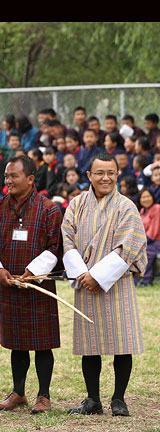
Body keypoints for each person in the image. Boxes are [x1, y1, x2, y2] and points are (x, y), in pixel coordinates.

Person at [61, 152, 147, 417]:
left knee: (122, 342)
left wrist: (99, 276)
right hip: (84, 280)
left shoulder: (126, 207)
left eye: (111, 172)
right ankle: (93, 399)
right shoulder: (76, 205)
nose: (105, 177)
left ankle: (119, 399)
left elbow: (129, 246)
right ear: (89, 175)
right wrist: (82, 274)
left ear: (117, 174)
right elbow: (66, 239)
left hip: (116, 281)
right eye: (99, 172)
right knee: (90, 344)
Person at [0, 155, 63, 414]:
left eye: (13, 176)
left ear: (30, 179)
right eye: (6, 176)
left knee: (43, 342)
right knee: (16, 342)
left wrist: (32, 271)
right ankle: (18, 392)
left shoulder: (49, 209)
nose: (8, 181)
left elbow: (56, 247)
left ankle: (44, 396)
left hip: (39, 285)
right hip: (9, 284)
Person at [134, 187, 160, 287]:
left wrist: (141, 244)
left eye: (148, 196)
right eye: (143, 197)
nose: (146, 199)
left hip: (156, 241)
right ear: (140, 199)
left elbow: (154, 231)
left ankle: (145, 281)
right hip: (145, 241)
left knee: (145, 254)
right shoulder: (142, 211)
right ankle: (135, 281)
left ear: (152, 197)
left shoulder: (157, 208)